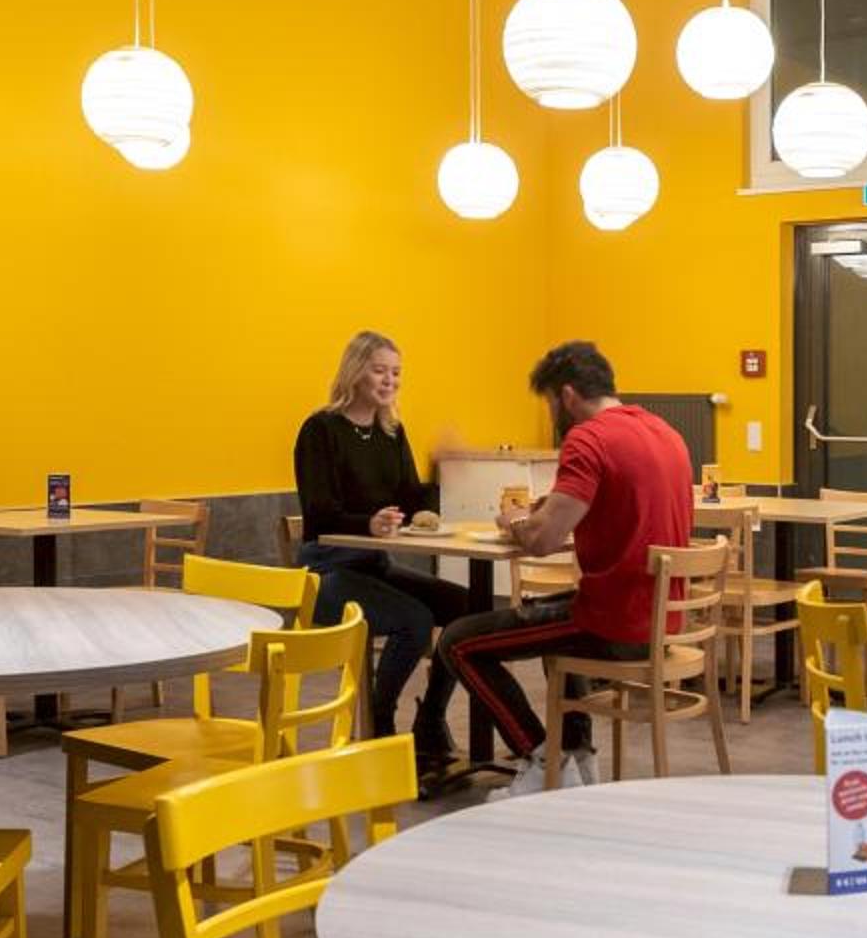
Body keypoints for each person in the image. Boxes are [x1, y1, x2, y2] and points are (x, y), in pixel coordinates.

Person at [417, 341, 694, 797]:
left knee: (458, 641)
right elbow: (608, 500)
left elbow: (543, 541)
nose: (552, 416)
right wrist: (546, 510)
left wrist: (514, 523)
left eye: (549, 404)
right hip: (663, 620)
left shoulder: (588, 438)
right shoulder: (664, 432)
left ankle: (543, 760)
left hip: (615, 622)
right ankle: (577, 755)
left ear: (566, 395)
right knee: (553, 630)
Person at [292, 331, 470, 774]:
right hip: (327, 572)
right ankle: (380, 723)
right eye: (379, 370)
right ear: (355, 372)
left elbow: (411, 498)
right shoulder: (320, 430)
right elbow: (318, 513)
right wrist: (367, 524)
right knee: (416, 621)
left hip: (374, 566)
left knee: (468, 610)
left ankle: (429, 719)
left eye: (396, 372)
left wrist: (440, 473)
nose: (390, 380)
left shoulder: (391, 431)